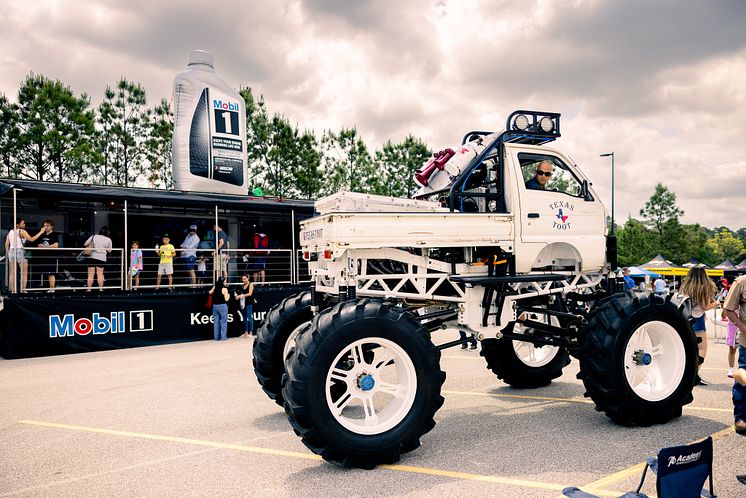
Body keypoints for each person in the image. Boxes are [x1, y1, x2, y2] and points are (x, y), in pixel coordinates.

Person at [680, 267, 718, 386]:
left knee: (687, 348)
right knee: (701, 348)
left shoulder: (685, 287)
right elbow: (705, 306)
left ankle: (683, 374)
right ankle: (693, 375)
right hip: (698, 320)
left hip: (685, 318)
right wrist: (716, 304)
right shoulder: (704, 287)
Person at [722, 274, 746, 435]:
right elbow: (728, 309)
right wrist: (742, 327)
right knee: (743, 379)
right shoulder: (742, 282)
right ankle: (740, 417)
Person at [4, 218, 44, 292]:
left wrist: (9, 253)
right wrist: (41, 232)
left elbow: (6, 244)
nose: (24, 224)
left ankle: (13, 291)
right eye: (23, 223)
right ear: (17, 224)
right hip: (20, 250)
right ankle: (23, 290)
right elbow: (31, 239)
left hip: (11, 251)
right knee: (24, 273)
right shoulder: (21, 231)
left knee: (12, 273)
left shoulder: (10, 232)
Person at [34, 219, 60, 291]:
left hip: (51, 256)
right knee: (47, 273)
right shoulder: (42, 235)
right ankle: (49, 288)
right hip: (43, 256)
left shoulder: (54, 234)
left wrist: (45, 247)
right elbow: (39, 244)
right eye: (44, 226)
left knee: (51, 273)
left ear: (52, 226)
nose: (46, 227)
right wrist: (40, 245)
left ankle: (52, 289)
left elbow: (56, 245)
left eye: (47, 226)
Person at [85, 226, 112, 292]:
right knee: (100, 274)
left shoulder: (94, 236)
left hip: (92, 257)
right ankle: (100, 289)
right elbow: (109, 251)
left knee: (90, 274)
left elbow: (85, 244)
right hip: (101, 258)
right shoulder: (108, 239)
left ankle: (89, 289)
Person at [725, 308, 739, 378]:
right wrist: (724, 306)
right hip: (733, 327)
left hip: (743, 326)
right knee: (732, 349)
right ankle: (731, 369)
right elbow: (723, 316)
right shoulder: (731, 300)